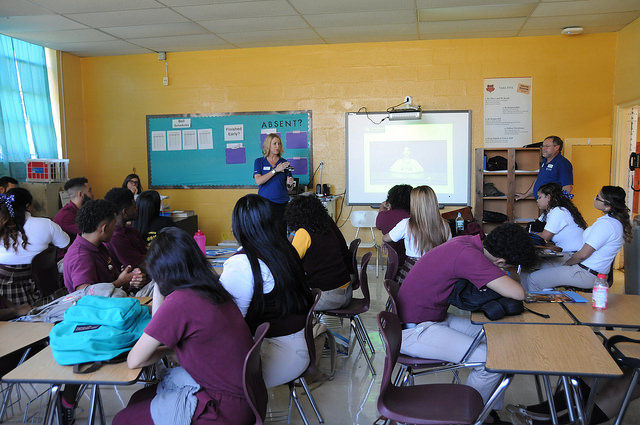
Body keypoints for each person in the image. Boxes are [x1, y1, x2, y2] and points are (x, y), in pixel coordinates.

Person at [113, 228, 256, 425]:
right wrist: (165, 350)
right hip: (244, 397)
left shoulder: (180, 301)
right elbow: (160, 334)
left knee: (122, 420)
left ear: (160, 271)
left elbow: (134, 360)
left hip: (221, 408)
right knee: (138, 399)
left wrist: (158, 284)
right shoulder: (211, 287)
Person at [396, 224, 537, 424]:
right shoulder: (468, 256)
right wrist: (509, 271)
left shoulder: (468, 242)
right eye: (508, 267)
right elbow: (518, 293)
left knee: (503, 342)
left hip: (429, 319)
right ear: (501, 261)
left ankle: (486, 411)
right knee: (490, 362)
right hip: (414, 330)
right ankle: (466, 417)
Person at [220, 194, 313, 388]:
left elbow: (228, 324)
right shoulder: (285, 249)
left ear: (237, 226)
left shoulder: (242, 263)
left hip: (278, 355)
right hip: (300, 345)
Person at [523, 186, 632, 292]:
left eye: (598, 197)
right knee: (534, 265)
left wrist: (566, 265)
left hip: (585, 272)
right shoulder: (613, 222)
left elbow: (582, 255)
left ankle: (545, 307)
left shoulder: (607, 225)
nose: (594, 198)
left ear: (608, 206)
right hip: (585, 267)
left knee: (533, 279)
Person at [0, 188, 69, 305]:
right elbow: (66, 244)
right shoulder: (47, 224)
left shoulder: (2, 226)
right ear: (28, 206)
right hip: (40, 289)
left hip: (4, 294)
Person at [285, 195, 352, 311]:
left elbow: (288, 263)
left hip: (327, 298)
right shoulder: (327, 227)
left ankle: (313, 326)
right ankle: (316, 326)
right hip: (346, 293)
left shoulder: (303, 233)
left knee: (285, 301)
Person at [63, 199, 144, 294]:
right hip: (100, 308)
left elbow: (112, 280)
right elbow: (85, 294)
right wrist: (120, 282)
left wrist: (130, 280)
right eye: (113, 226)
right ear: (104, 228)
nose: (114, 230)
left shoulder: (98, 246)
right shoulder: (81, 257)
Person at [382, 185, 451, 283]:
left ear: (414, 204)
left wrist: (383, 241)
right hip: (438, 273)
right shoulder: (445, 225)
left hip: (413, 272)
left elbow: (387, 238)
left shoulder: (406, 224)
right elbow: (448, 250)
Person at [253, 133, 294, 232]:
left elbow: (289, 188)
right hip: (265, 204)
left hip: (282, 203)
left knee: (281, 233)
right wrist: (275, 170)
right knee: (266, 233)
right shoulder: (259, 162)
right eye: (274, 143)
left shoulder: (284, 162)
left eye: (279, 144)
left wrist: (290, 184)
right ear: (268, 145)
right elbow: (258, 181)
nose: (277, 146)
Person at [534, 183, 586, 253]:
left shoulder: (558, 211)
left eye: (540, 197)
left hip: (573, 253)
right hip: (570, 252)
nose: (537, 200)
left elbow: (544, 237)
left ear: (548, 197)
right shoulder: (554, 211)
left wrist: (532, 235)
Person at [104, 188, 147, 268]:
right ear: (125, 212)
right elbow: (140, 265)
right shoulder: (116, 238)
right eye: (134, 206)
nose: (137, 209)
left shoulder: (130, 230)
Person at [54, 177, 94, 260]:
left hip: (79, 252)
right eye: (89, 191)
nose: (92, 194)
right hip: (65, 258)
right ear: (80, 194)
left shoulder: (81, 210)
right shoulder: (66, 216)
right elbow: (90, 234)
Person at [376, 184, 412, 271]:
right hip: (413, 263)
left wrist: (382, 208)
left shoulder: (384, 216)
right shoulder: (416, 217)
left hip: (393, 265)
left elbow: (379, 226)